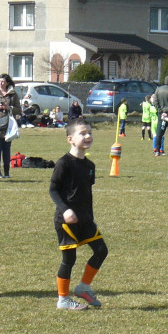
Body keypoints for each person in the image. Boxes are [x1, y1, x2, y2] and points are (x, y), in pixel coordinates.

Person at [49, 118, 108, 310]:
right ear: (70, 139)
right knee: (69, 259)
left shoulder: (90, 166)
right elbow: (53, 190)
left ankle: (83, 287)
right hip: (66, 221)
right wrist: (66, 210)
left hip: (85, 220)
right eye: (82, 133)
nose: (88, 136)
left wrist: (89, 216)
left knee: (101, 251)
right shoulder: (63, 163)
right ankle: (63, 299)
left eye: (90, 132)